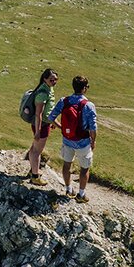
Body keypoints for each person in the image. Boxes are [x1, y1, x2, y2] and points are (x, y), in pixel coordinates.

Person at [48, 75, 97, 203]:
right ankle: (81, 194)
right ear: (85, 88)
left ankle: (69, 190)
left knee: (66, 164)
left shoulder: (64, 101)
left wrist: (61, 128)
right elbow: (93, 128)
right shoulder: (89, 105)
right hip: (83, 142)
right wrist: (93, 141)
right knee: (85, 168)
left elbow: (51, 117)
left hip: (67, 139)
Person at [25, 68, 58, 186]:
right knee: (37, 151)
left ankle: (33, 170)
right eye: (51, 80)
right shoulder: (43, 93)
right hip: (41, 125)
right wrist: (38, 131)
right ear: (45, 79)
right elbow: (39, 114)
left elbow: (48, 111)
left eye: (55, 80)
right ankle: (35, 176)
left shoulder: (47, 89)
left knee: (34, 148)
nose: (54, 82)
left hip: (44, 124)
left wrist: (52, 122)